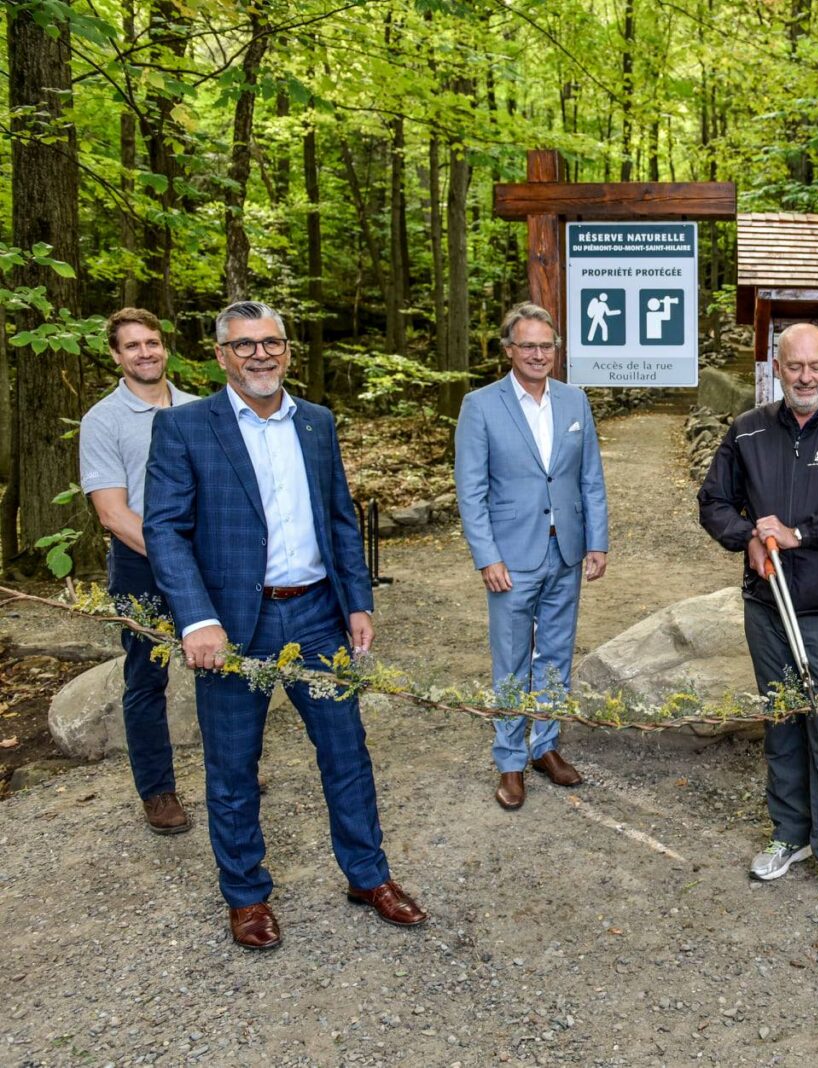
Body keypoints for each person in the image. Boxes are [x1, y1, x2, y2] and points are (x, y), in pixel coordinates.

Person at [144, 300, 425, 951]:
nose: (260, 354)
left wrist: (357, 601)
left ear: (288, 350)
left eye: (271, 342)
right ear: (221, 356)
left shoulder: (317, 424)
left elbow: (339, 520)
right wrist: (197, 619)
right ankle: (246, 895)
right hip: (233, 624)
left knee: (346, 753)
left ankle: (367, 875)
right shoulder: (186, 428)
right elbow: (164, 529)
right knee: (234, 765)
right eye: (244, 345)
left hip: (318, 615)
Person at [698, 323, 818, 913]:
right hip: (767, 608)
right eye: (794, 366)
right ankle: (789, 835)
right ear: (776, 368)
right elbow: (714, 502)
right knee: (781, 725)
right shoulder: (747, 430)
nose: (806, 376)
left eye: (816, 366)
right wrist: (746, 539)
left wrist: (797, 534)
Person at [455, 303, 609, 809]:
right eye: (528, 345)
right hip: (511, 557)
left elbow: (589, 478)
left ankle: (545, 746)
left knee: (557, 657)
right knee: (512, 661)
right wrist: (486, 557)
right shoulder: (480, 405)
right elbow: (471, 491)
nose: (538, 354)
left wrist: (596, 541)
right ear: (508, 349)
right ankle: (509, 760)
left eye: (547, 346)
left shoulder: (574, 401)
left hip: (564, 550)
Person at [78, 308, 201, 834]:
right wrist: (171, 554)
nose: (145, 352)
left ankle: (230, 769)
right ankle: (158, 790)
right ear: (115, 355)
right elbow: (112, 512)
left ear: (164, 347)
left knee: (224, 668)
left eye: (152, 342)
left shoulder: (202, 410)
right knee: (146, 677)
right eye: (133, 346)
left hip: (206, 559)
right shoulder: (102, 420)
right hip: (140, 563)